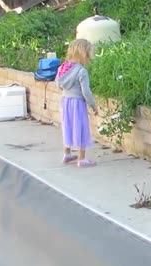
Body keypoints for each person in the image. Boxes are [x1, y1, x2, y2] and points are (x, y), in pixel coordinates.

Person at [55, 38, 99, 168]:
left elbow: (58, 84)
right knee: (81, 128)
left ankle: (67, 154)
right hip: (78, 103)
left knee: (67, 126)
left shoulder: (63, 67)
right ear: (84, 54)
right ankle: (82, 159)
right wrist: (93, 105)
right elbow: (86, 92)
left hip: (65, 101)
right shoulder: (81, 71)